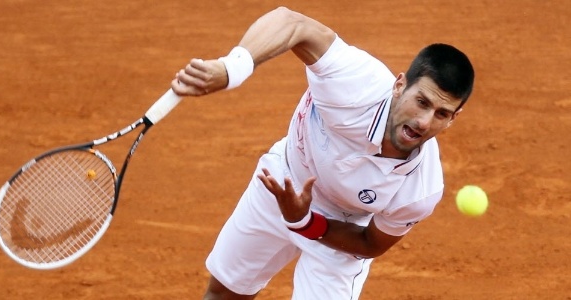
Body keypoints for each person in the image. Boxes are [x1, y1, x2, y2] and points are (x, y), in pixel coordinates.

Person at [171, 6, 474, 300]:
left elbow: (370, 243)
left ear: (452, 119)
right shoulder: (357, 83)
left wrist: (305, 221)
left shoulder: (421, 190)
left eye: (441, 113)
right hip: (282, 180)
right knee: (224, 293)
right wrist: (232, 68)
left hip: (341, 229)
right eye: (421, 102)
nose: (424, 122)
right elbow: (292, 23)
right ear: (399, 85)